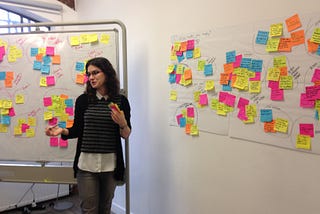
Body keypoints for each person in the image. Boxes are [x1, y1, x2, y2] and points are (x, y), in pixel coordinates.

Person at [45, 57, 131, 214]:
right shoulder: (83, 100)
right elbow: (77, 129)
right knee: (89, 209)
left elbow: (126, 135)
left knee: (105, 208)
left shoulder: (121, 101)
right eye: (88, 74)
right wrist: (62, 131)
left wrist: (123, 123)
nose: (91, 77)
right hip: (86, 166)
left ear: (108, 74)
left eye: (95, 73)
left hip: (110, 165)